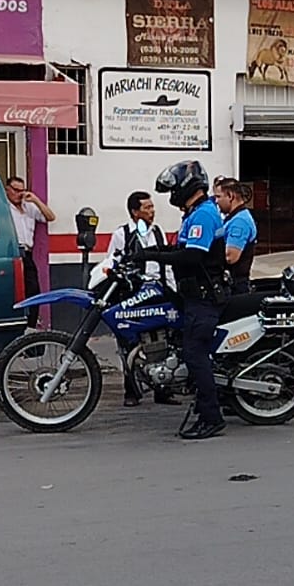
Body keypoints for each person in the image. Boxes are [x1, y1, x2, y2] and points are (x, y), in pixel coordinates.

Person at [134, 160, 228, 440]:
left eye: (173, 190)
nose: (171, 196)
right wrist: (148, 251)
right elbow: (180, 249)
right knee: (186, 348)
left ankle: (212, 417)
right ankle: (202, 406)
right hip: (194, 295)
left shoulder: (204, 215)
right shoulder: (195, 213)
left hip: (205, 297)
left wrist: (151, 255)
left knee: (194, 354)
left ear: (188, 187)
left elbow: (191, 257)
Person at [108, 191, 174, 408]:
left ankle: (162, 389)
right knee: (129, 343)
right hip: (133, 294)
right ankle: (131, 391)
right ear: (135, 212)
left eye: (152, 207)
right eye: (147, 208)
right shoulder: (122, 234)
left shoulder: (157, 233)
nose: (152, 212)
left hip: (157, 292)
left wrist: (171, 289)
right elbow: (112, 264)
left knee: (162, 339)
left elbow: (166, 264)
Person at [5, 176, 56, 328]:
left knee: (34, 292)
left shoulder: (29, 207)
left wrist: (35, 200)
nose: (19, 194)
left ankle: (31, 328)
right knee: (12, 293)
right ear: (7, 190)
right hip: (11, 252)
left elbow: (50, 217)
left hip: (27, 254)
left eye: (22, 190)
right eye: (16, 190)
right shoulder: (4, 207)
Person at [214, 177, 258, 295]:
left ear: (230, 196)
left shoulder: (239, 221)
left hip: (236, 286)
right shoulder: (233, 217)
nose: (216, 201)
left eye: (218, 197)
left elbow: (231, 257)